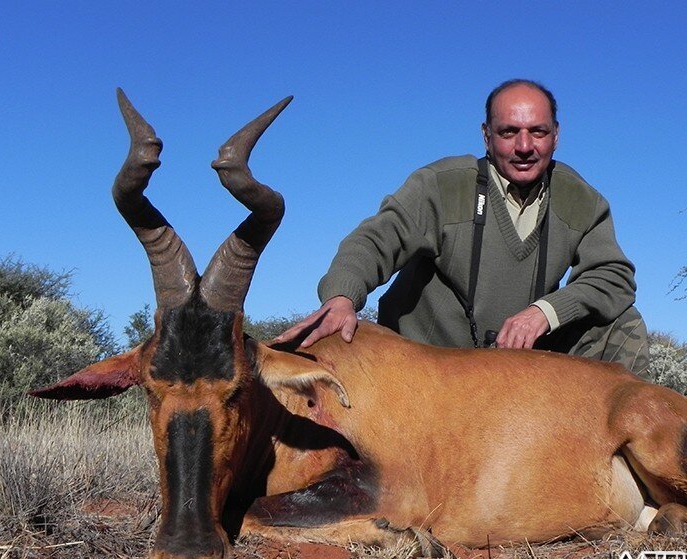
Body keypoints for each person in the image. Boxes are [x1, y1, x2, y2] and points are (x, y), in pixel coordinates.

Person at [276, 79, 649, 378]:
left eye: (537, 132)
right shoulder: (441, 185)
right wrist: (341, 297)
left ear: (556, 135)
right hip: (428, 369)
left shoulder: (581, 199)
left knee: (622, 324)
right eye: (508, 132)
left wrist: (543, 313)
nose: (524, 146)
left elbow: (614, 277)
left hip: (518, 370)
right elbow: (375, 240)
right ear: (486, 136)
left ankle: (600, 453)